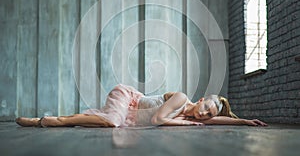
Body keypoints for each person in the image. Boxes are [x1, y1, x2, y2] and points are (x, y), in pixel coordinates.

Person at [16, 84, 267, 127]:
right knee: (111, 121)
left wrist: (244, 121)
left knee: (100, 120)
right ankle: (52, 121)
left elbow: (218, 121)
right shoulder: (182, 99)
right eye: (206, 109)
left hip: (130, 116)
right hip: (128, 98)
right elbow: (158, 120)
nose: (204, 115)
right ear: (200, 100)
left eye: (208, 115)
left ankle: (40, 120)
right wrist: (180, 123)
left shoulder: (197, 118)